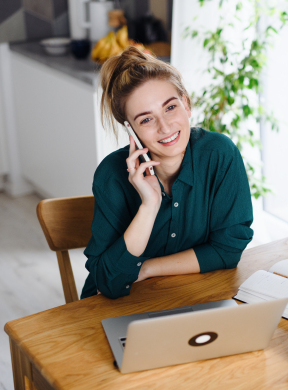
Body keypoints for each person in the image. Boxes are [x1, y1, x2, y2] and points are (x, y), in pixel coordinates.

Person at [81, 47, 254, 299]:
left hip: (191, 296)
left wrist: (146, 268)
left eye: (170, 107)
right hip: (116, 307)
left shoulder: (219, 154)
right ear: (131, 131)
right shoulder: (111, 175)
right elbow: (108, 282)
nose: (165, 127)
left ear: (186, 103)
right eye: (146, 120)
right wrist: (149, 206)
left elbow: (227, 251)